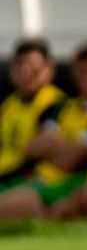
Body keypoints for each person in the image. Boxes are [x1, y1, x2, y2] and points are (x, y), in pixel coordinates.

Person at [0, 39, 65, 212]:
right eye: (20, 64)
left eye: (33, 66)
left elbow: (35, 151)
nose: (25, 71)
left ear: (49, 70)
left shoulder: (56, 103)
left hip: (31, 178)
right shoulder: (8, 105)